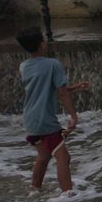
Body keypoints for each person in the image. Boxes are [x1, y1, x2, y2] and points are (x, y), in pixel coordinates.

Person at [16, 28, 90, 192]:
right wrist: (73, 116)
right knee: (64, 157)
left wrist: (74, 87)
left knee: (43, 156)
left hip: (31, 119)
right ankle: (68, 196)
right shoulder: (53, 64)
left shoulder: (24, 66)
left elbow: (47, 88)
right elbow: (61, 92)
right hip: (45, 119)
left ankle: (34, 191)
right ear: (42, 44)